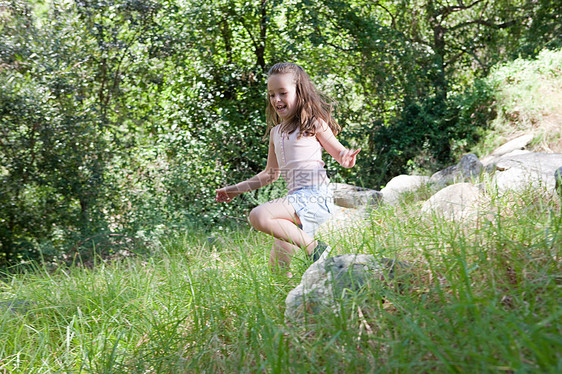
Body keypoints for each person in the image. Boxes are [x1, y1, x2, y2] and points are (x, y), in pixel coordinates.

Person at [215, 62, 360, 274]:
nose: (276, 100)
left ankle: (315, 248)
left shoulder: (313, 123)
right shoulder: (275, 133)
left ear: (299, 93)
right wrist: (235, 189)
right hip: (296, 203)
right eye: (272, 95)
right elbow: (270, 174)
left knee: (258, 216)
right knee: (278, 271)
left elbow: (339, 153)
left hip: (315, 197)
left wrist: (347, 158)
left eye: (283, 93)